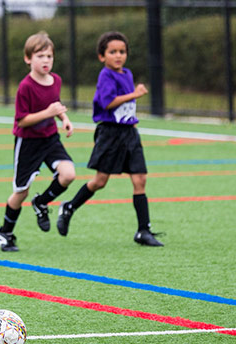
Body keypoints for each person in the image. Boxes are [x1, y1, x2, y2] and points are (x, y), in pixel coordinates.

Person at [56, 31, 163, 246]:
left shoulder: (127, 74)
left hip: (129, 134)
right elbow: (108, 102)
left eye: (122, 51)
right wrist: (135, 94)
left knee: (140, 179)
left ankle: (143, 230)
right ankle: (69, 207)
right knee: (100, 181)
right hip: (110, 134)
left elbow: (124, 106)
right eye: (112, 52)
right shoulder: (105, 75)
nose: (118, 56)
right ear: (101, 56)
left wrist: (131, 112)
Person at [0, 31, 75, 252]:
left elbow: (55, 104)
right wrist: (49, 112)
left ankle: (42, 203)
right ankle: (5, 232)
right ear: (28, 59)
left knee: (69, 174)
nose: (46, 60)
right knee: (21, 192)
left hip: (50, 139)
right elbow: (23, 120)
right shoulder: (26, 87)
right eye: (40, 56)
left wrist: (64, 119)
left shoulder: (56, 80)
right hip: (28, 142)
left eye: (49, 56)